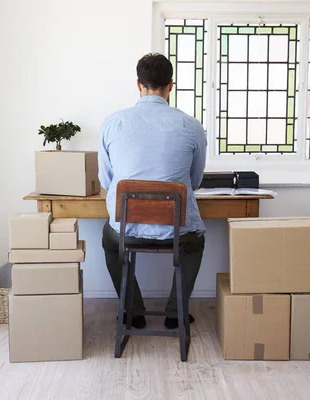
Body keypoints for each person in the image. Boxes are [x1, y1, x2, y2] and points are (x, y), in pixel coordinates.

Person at [98, 53, 207, 330]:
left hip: (127, 228)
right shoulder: (192, 126)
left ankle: (133, 312)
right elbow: (194, 183)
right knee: (194, 243)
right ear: (171, 85)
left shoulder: (113, 123)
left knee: (111, 240)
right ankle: (175, 312)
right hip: (176, 230)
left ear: (138, 84)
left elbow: (107, 181)